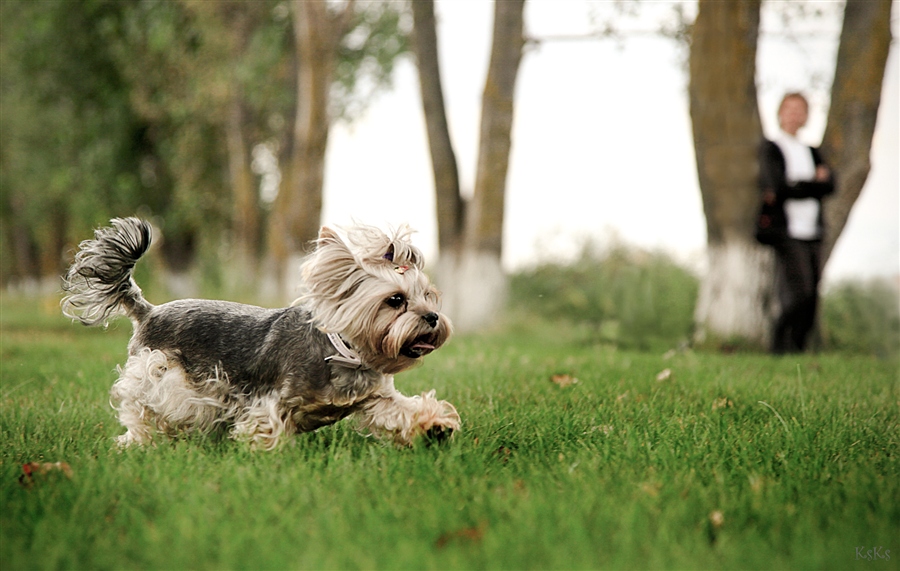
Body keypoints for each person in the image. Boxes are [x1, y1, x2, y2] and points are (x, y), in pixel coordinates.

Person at [758, 92, 835, 354]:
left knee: (811, 295)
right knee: (798, 293)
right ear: (780, 113)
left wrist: (799, 184)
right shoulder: (772, 148)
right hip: (786, 231)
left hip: (813, 231)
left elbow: (830, 185)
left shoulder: (811, 151)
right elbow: (777, 187)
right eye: (789, 109)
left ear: (806, 116)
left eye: (800, 110)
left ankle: (797, 350)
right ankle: (778, 347)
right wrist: (813, 183)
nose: (794, 115)